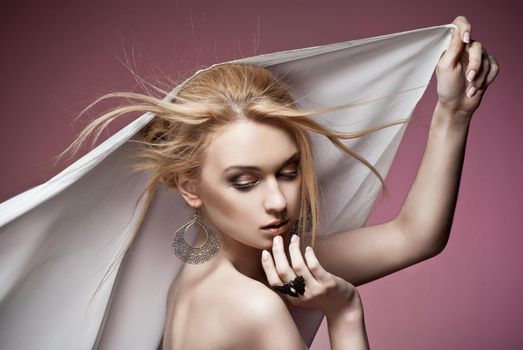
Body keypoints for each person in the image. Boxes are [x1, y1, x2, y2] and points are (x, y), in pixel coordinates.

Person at [0, 16, 499, 350]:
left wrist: (453, 110)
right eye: (244, 182)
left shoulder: (212, 262)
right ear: (190, 187)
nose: (278, 201)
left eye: (288, 171)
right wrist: (344, 311)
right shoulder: (251, 304)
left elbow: (414, 236)